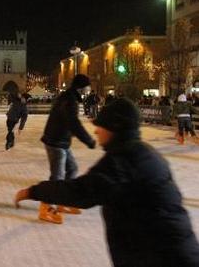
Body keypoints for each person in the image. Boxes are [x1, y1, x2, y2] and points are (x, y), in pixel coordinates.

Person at [15, 98, 199, 267]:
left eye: (101, 126)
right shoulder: (143, 152)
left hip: (161, 257)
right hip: (171, 252)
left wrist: (33, 192)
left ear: (115, 128)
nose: (96, 130)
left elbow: (80, 192)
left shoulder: (121, 162)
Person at [39, 74, 96, 223]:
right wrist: (88, 140)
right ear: (81, 88)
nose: (88, 90)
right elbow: (74, 123)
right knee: (57, 177)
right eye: (87, 87)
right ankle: (46, 207)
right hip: (55, 141)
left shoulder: (69, 97)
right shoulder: (69, 100)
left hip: (61, 141)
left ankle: (62, 202)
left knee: (72, 169)